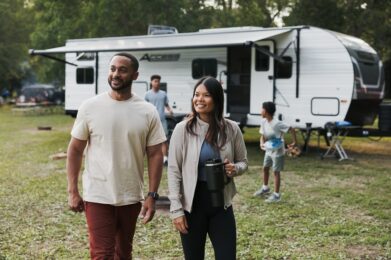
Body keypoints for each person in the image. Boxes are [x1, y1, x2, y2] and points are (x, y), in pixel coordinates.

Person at [67, 52, 167, 259]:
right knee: (102, 254)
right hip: (98, 193)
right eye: (112, 69)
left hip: (131, 195)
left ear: (135, 75)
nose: (116, 74)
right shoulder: (90, 107)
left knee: (123, 253)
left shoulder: (147, 111)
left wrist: (152, 195)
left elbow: (156, 154)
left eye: (122, 70)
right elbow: (75, 149)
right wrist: (72, 191)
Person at [168, 76, 248, 260]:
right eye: (196, 94)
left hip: (221, 204)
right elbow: (173, 171)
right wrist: (176, 210)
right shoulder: (183, 129)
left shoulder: (232, 129)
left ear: (217, 99)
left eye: (206, 95)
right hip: (192, 206)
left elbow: (244, 162)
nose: (199, 99)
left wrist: (234, 169)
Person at [253, 101, 297, 203]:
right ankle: (265, 188)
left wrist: (294, 142)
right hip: (269, 149)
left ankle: (277, 195)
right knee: (265, 168)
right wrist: (261, 143)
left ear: (266, 111)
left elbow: (292, 129)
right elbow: (262, 135)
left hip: (278, 150)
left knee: (276, 172)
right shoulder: (263, 122)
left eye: (262, 109)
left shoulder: (277, 123)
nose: (260, 111)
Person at [144, 75, 173, 165]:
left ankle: (165, 159)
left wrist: (170, 110)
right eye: (155, 81)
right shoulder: (147, 94)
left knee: (164, 139)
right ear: (151, 82)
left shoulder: (163, 93)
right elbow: (145, 106)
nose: (157, 83)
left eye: (158, 81)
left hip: (162, 120)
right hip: (151, 119)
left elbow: (166, 104)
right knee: (150, 139)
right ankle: (150, 157)